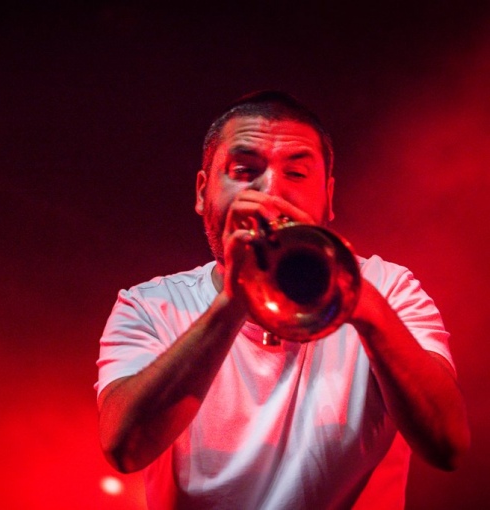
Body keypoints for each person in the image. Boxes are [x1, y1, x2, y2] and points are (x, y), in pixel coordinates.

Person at [94, 90, 470, 509]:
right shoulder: (148, 305)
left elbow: (447, 446)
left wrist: (361, 305)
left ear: (328, 197)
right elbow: (125, 449)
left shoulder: (391, 287)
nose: (271, 191)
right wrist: (234, 302)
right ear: (202, 192)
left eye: (296, 174)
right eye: (244, 170)